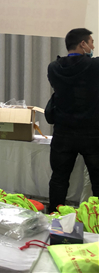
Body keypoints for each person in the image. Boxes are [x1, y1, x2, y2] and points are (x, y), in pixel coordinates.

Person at [46, 28, 99, 213]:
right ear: (83, 44)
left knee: (59, 179)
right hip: (92, 134)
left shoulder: (53, 68)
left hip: (63, 133)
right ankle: (96, 220)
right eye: (91, 42)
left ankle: (54, 217)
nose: (93, 47)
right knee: (97, 181)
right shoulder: (95, 66)